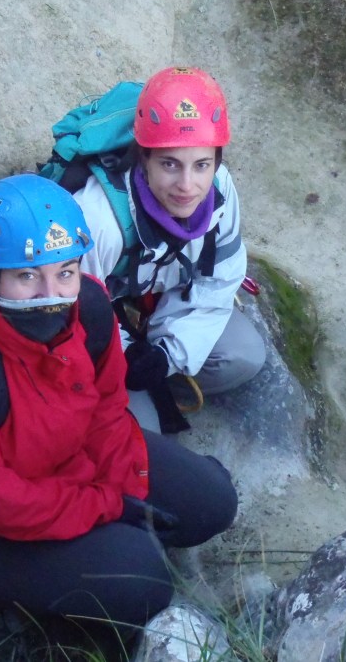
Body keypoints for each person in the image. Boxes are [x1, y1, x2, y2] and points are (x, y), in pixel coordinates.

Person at [0, 174, 237, 657]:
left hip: (67, 463)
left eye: (65, 271)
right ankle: (29, 614)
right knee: (143, 580)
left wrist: (125, 485)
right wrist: (106, 506)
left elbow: (107, 411)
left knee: (211, 502)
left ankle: (100, 553)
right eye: (27, 276)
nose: (51, 294)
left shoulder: (87, 307)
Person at [75, 66, 266, 434]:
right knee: (145, 431)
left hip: (160, 299)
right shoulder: (99, 219)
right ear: (143, 160)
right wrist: (125, 353)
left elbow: (220, 279)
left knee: (243, 356)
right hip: (107, 322)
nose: (187, 185)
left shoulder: (220, 190)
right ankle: (127, 402)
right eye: (169, 164)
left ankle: (155, 386)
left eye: (202, 165)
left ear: (216, 162)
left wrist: (167, 356)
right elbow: (72, 310)